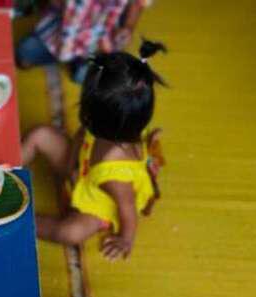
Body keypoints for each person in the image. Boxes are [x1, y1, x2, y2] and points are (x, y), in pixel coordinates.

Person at [21, 39, 165, 259]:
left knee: (70, 232)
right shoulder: (112, 123)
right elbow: (81, 136)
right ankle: (5, 171)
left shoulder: (115, 176)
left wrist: (125, 239)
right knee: (40, 134)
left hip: (96, 204)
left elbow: (127, 209)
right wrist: (70, 167)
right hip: (81, 169)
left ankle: (20, 221)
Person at [16, 0, 152, 83]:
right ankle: (67, 56)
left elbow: (138, 3)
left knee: (82, 77)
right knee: (23, 55)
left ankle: (77, 61)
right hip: (60, 29)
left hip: (99, 39)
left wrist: (128, 27)